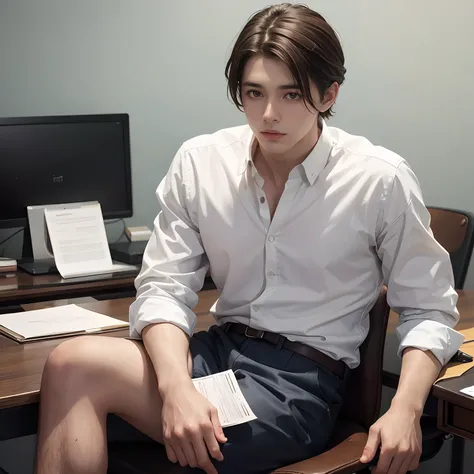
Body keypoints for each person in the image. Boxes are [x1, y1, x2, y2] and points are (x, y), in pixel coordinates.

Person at [35, 3, 464, 474]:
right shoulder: (201, 163)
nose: (268, 114)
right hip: (216, 352)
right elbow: (163, 289)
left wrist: (403, 408)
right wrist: (177, 390)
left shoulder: (379, 179)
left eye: (292, 94)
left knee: (86, 402)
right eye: (253, 93)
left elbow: (430, 309)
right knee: (69, 363)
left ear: (328, 94)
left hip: (298, 384)